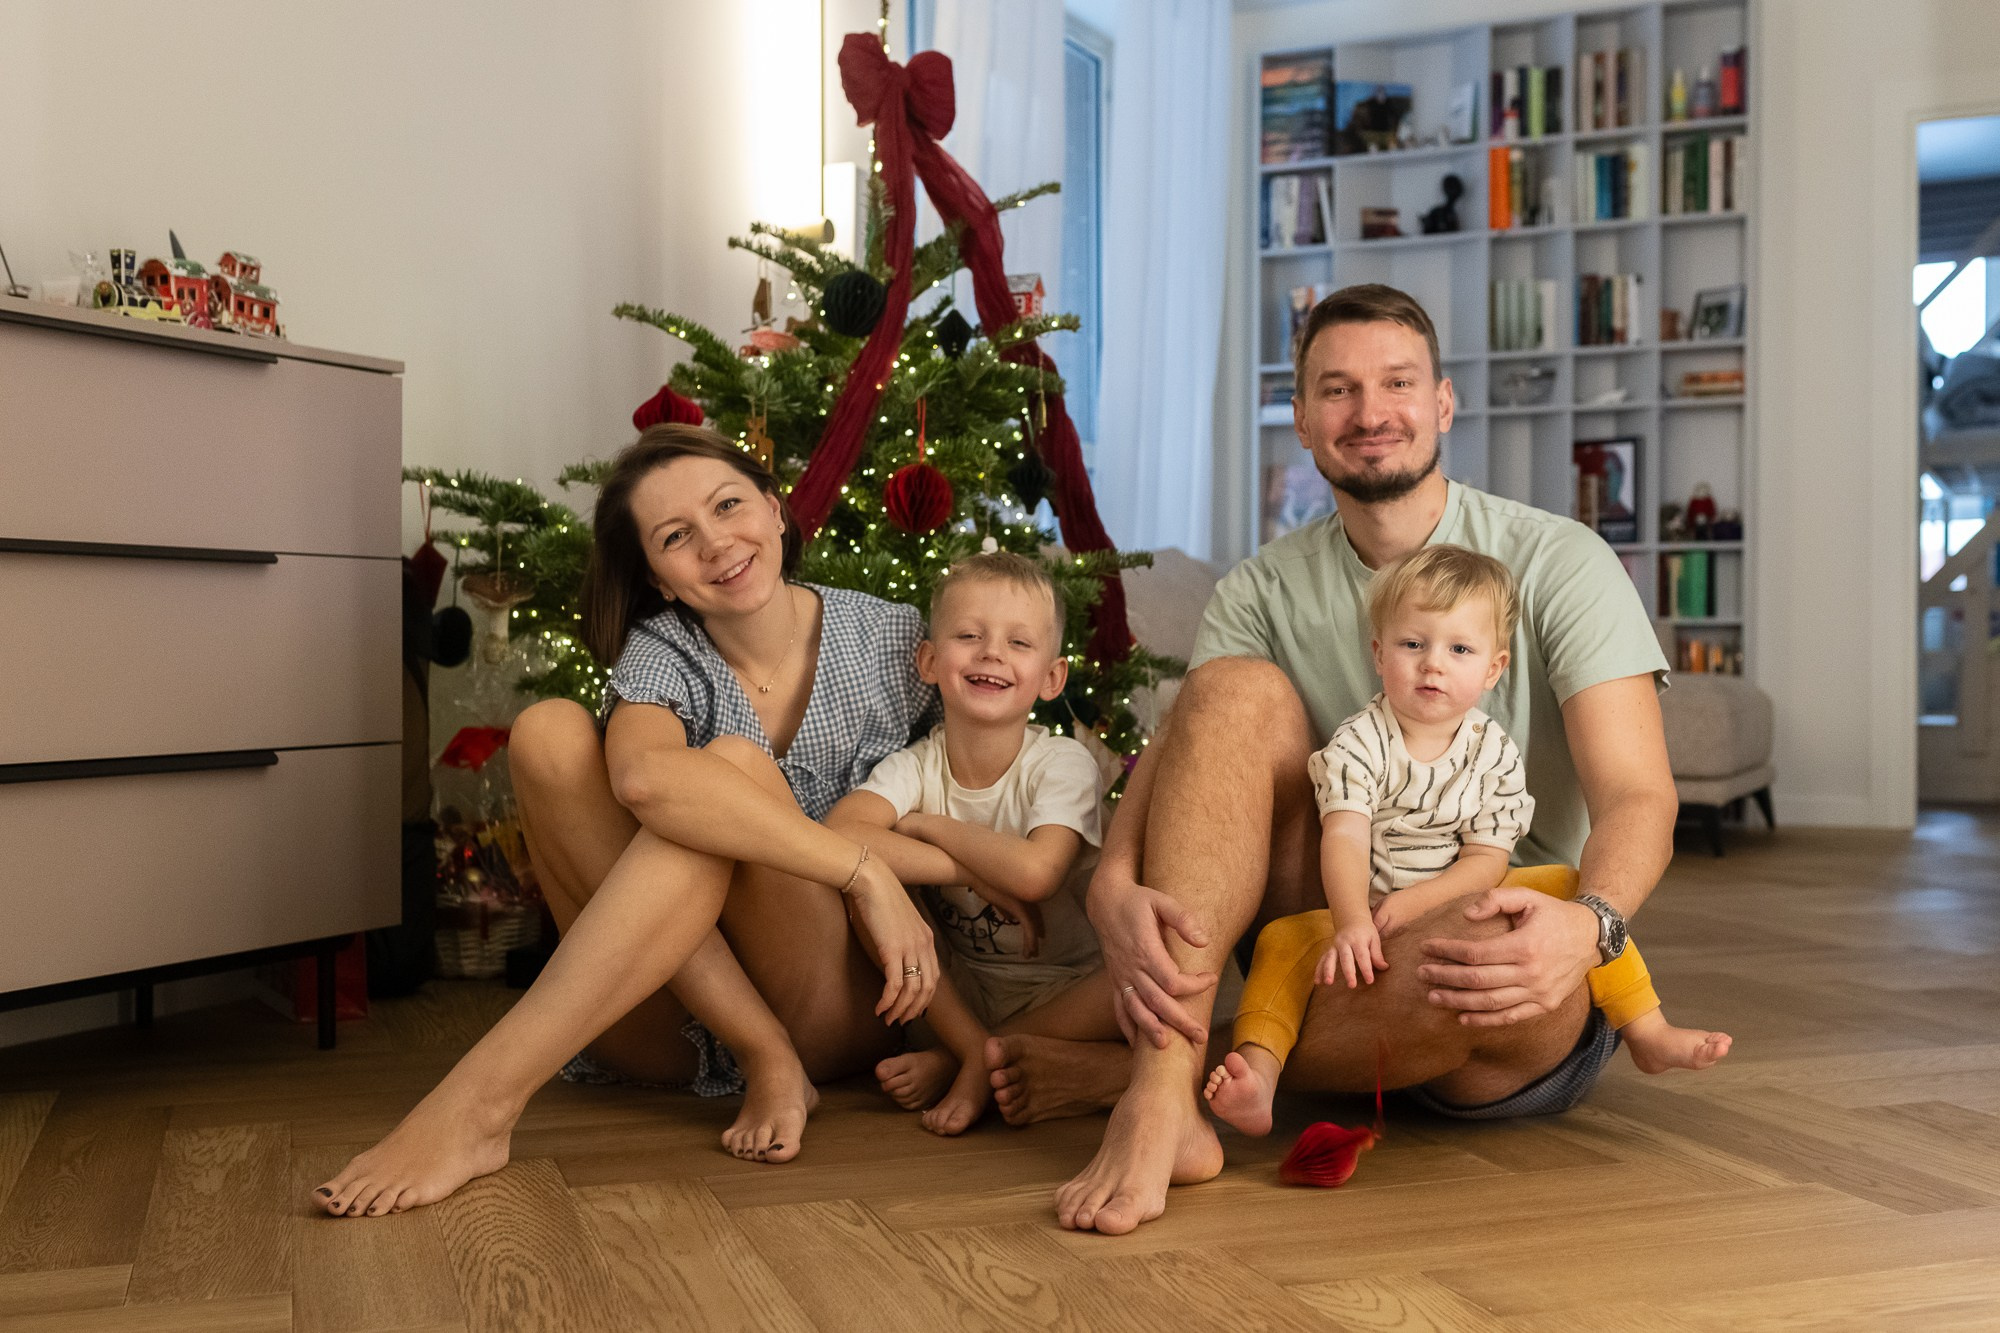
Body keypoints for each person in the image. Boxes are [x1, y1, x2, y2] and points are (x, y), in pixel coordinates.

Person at [1052, 282, 1682, 1235]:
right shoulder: (1262, 586)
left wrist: (1588, 929)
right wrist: (1115, 882)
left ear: (1442, 404)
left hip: (1501, 946)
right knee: (1227, 689)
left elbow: (1639, 795)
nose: (1370, 412)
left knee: (1505, 960)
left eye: (1397, 382)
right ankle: (1159, 1096)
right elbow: (1189, 746)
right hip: (1327, 939)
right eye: (1337, 390)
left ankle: (1168, 1065)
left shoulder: (1559, 558)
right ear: (1302, 419)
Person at [313, 424, 945, 1217]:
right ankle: (758, 1052)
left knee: (729, 773)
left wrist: (899, 890)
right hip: (664, 1024)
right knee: (551, 732)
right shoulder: (662, 647)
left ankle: (476, 1104)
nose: (716, 543)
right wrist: (862, 869)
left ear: (778, 512)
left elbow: (1003, 774)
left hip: (841, 1004)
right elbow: (645, 776)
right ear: (660, 578)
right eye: (677, 536)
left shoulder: (893, 637)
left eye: (728, 505)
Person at [1204, 544, 1730, 1137]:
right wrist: (1352, 920)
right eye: (1412, 645)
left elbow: (1486, 860)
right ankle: (1259, 1074)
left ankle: (1647, 1030)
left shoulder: (1492, 751)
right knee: (1280, 942)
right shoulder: (1360, 741)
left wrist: (1420, 905)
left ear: (1492, 668)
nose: (1433, 665)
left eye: (1458, 650)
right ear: (1379, 654)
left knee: (1570, 888)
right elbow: (1344, 838)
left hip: (1455, 896)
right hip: (1365, 907)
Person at [828, 551, 1121, 1135]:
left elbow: (1038, 875)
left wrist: (925, 826)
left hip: (1072, 988)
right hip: (958, 992)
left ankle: (977, 1060)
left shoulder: (1061, 763)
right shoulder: (916, 765)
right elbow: (839, 835)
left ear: (1051, 678)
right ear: (931, 661)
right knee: (864, 887)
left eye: (1019, 643)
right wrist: (972, 873)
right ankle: (975, 1050)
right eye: (969, 635)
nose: (991, 653)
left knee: (1140, 980)